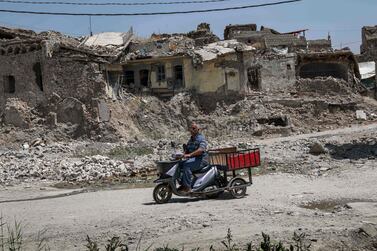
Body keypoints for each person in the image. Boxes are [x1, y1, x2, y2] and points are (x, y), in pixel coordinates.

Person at [178, 122, 209, 193]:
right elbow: (187, 150)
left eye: (194, 128)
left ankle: (187, 187)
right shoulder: (191, 139)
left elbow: (201, 150)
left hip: (201, 160)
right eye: (191, 128)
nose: (192, 130)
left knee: (187, 165)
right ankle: (182, 184)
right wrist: (182, 155)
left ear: (198, 129)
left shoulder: (201, 138)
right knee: (179, 164)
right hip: (194, 159)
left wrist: (190, 155)